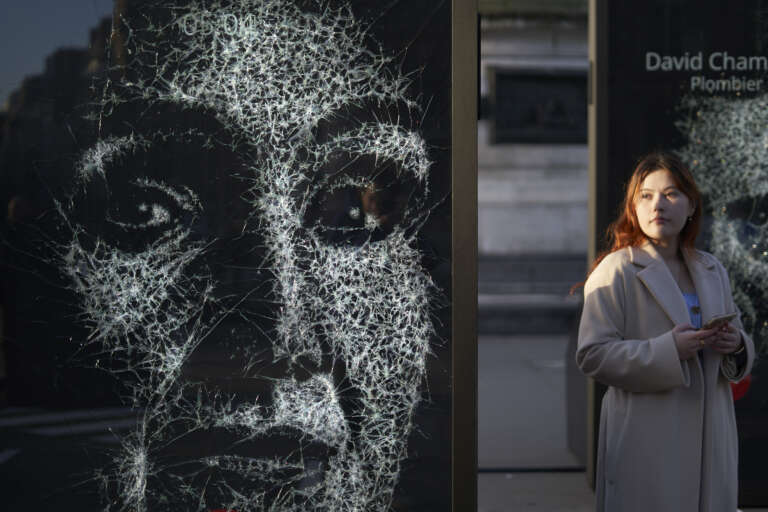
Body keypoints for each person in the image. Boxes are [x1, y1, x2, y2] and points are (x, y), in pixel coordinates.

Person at [575, 151, 755, 512]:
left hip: (710, 440)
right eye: (646, 195)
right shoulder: (616, 270)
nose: (658, 204)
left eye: (671, 194)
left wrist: (736, 344)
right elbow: (592, 354)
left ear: (691, 206)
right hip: (648, 440)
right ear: (634, 206)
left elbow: (736, 342)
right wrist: (668, 350)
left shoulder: (710, 267)